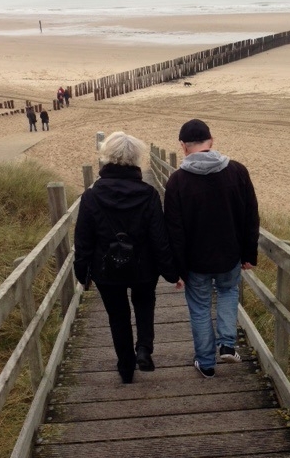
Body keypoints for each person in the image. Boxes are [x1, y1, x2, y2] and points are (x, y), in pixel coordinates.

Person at [74, 131, 182, 384]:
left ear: (106, 156)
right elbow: (159, 237)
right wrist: (171, 271)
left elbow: (83, 239)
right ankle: (144, 348)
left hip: (106, 268)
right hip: (144, 266)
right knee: (144, 303)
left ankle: (125, 366)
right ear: (136, 159)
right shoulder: (148, 194)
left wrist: (82, 273)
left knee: (117, 315)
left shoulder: (91, 196)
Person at [164, 119, 260, 379]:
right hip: (230, 254)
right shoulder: (238, 171)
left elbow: (174, 230)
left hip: (195, 261)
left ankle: (206, 363)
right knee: (229, 292)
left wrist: (177, 271)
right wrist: (249, 254)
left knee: (199, 307)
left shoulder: (177, 181)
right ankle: (227, 343)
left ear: (183, 147)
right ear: (212, 141)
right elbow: (251, 216)